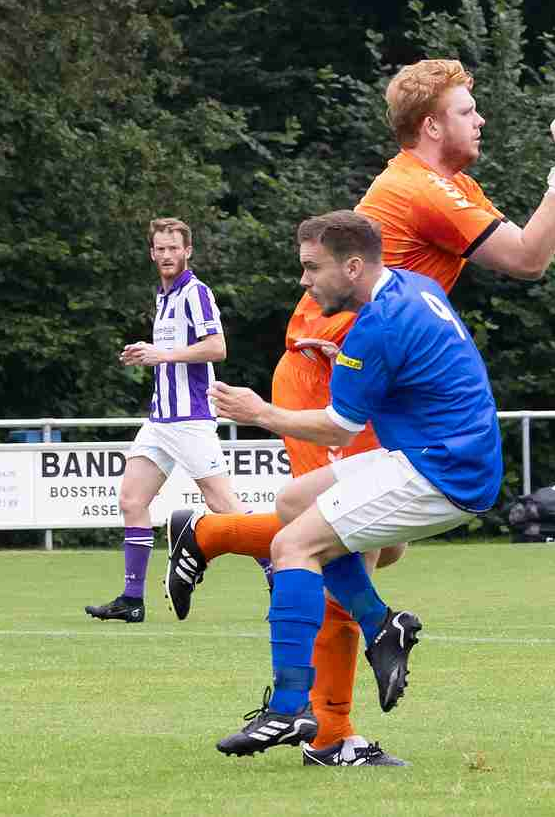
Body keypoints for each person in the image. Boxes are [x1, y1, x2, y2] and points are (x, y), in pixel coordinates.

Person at [166, 62, 555, 765]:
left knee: (370, 544)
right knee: (326, 544)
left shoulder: (450, 187)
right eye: (468, 110)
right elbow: (531, 256)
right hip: (327, 373)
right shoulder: (419, 187)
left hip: (365, 379)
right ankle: (329, 732)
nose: (481, 120)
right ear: (431, 125)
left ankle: (210, 534)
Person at [196, 211, 504, 761]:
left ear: (354, 266)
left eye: (313, 268)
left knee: (292, 546)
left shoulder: (376, 328)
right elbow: (416, 369)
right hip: (438, 453)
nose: (305, 282)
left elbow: (339, 426)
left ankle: (291, 706)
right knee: (293, 503)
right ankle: (380, 624)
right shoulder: (414, 287)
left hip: (442, 470)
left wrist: (260, 411)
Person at [84, 219, 247, 624]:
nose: (167, 255)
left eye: (174, 248)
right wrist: (145, 352)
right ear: (152, 252)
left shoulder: (196, 293)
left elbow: (217, 347)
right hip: (161, 419)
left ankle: (282, 580)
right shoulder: (163, 296)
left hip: (190, 418)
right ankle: (132, 600)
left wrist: (164, 356)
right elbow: (170, 351)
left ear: (187, 250)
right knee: (132, 500)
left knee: (223, 506)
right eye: (160, 248)